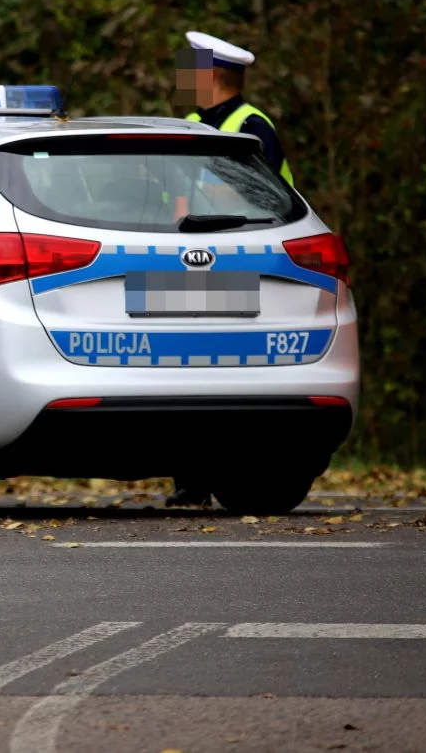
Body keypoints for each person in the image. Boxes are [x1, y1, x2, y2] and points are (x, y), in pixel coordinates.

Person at [167, 31, 294, 508]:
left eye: (189, 71)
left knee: (227, 370)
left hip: (245, 258)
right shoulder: (189, 124)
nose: (182, 80)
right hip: (183, 258)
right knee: (182, 369)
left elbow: (255, 198)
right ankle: (190, 482)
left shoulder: (251, 126)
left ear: (213, 75)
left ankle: (239, 475)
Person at [177, 30, 294, 186]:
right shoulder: (192, 121)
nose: (181, 78)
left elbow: (260, 197)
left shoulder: (252, 126)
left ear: (208, 76)